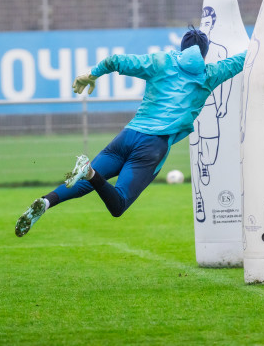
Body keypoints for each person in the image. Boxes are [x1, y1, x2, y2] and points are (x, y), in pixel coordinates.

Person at [15, 27, 247, 237]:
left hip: (127, 135)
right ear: (205, 53)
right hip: (152, 147)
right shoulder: (210, 73)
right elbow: (243, 60)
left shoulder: (161, 61)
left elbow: (116, 60)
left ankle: (46, 202)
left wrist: (92, 74)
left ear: (181, 48)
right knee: (118, 204)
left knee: (88, 184)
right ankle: (88, 172)